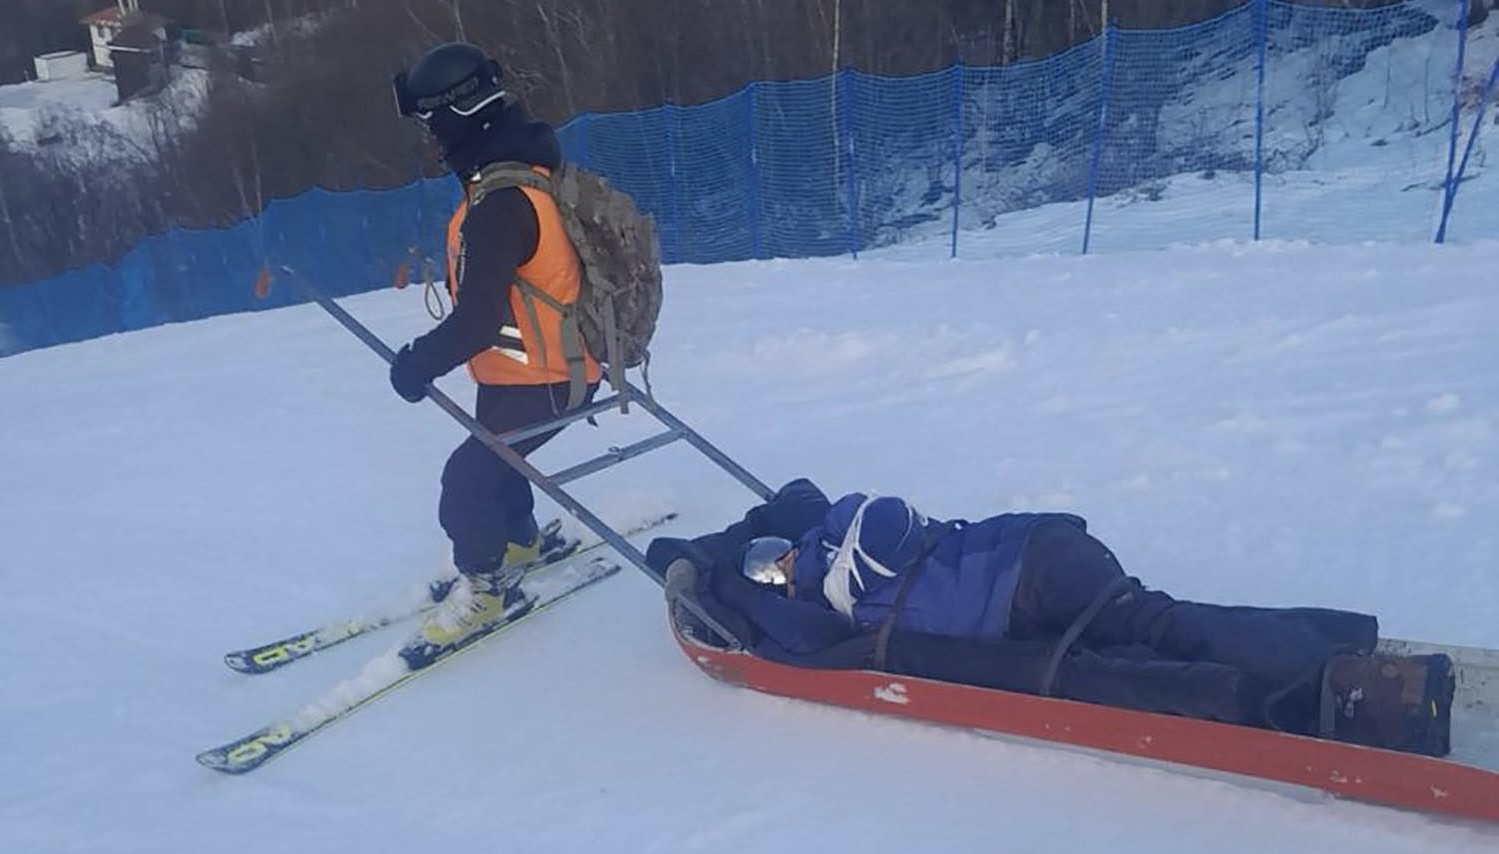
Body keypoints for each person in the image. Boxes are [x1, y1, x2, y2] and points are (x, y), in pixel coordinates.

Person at [647, 479, 1455, 757]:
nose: (779, 575)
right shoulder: (853, 519)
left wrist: (706, 576)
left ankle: (1317, 694)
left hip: (1024, 594)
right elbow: (801, 497)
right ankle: (1331, 646)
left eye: (775, 565)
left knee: (1131, 657)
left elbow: (784, 642)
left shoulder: (826, 593)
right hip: (1040, 550)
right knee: (1158, 621)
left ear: (785, 561)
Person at [388, 42, 601, 663]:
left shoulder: (501, 205)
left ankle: (484, 590)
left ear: (457, 114)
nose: (429, 136)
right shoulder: (523, 178)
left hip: (550, 378)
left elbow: (477, 322)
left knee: (466, 479)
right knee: (495, 456)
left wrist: (415, 365)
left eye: (430, 122)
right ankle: (518, 542)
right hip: (538, 369)